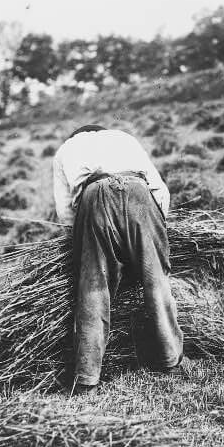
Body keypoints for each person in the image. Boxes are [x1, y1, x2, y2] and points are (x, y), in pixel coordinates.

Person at [52, 124, 186, 394]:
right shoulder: (123, 138)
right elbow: (160, 190)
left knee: (93, 289)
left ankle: (87, 378)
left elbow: (65, 212)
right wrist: (153, 232)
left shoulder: (65, 150)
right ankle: (170, 361)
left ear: (76, 136)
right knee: (156, 280)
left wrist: (81, 242)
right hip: (139, 192)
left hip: (94, 197)